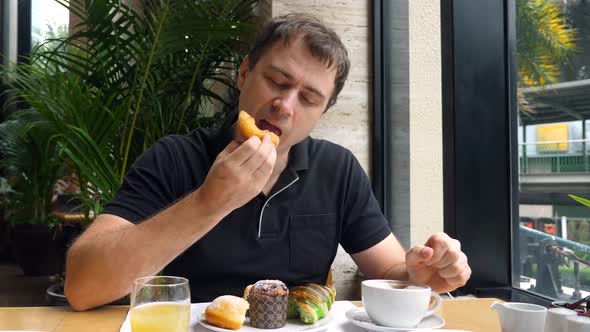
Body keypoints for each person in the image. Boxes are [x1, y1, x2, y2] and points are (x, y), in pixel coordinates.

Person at [64, 13, 471, 311]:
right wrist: (210, 201)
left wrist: (420, 275)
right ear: (244, 74)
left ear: (322, 112)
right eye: (277, 82)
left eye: (308, 98)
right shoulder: (175, 157)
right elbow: (83, 286)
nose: (284, 105)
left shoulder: (337, 169)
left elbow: (390, 272)